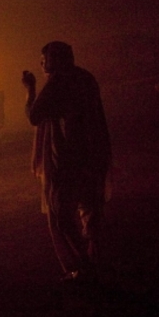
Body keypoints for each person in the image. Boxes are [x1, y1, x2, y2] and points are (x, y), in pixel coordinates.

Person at [22, 41, 111, 283]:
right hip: (93, 154)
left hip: (68, 158)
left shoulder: (59, 81)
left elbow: (34, 116)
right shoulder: (85, 77)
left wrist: (30, 89)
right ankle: (95, 260)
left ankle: (81, 265)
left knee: (62, 215)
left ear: (54, 59)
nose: (41, 65)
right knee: (90, 209)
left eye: (44, 59)